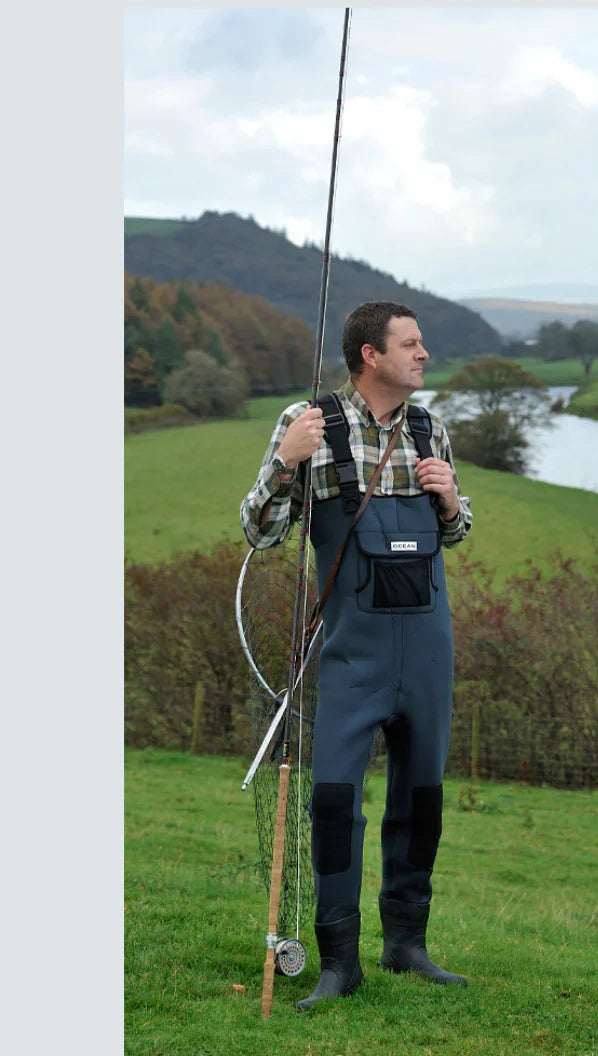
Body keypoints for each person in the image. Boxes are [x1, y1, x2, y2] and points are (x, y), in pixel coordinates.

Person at [240, 301, 472, 1010]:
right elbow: (259, 532)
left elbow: (457, 535)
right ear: (370, 355)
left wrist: (452, 500)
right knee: (334, 801)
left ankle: (408, 944)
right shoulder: (310, 424)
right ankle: (340, 962)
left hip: (429, 646)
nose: (423, 354)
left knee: (422, 799)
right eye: (410, 343)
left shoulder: (432, 429)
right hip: (351, 652)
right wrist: (285, 465)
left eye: (422, 343)